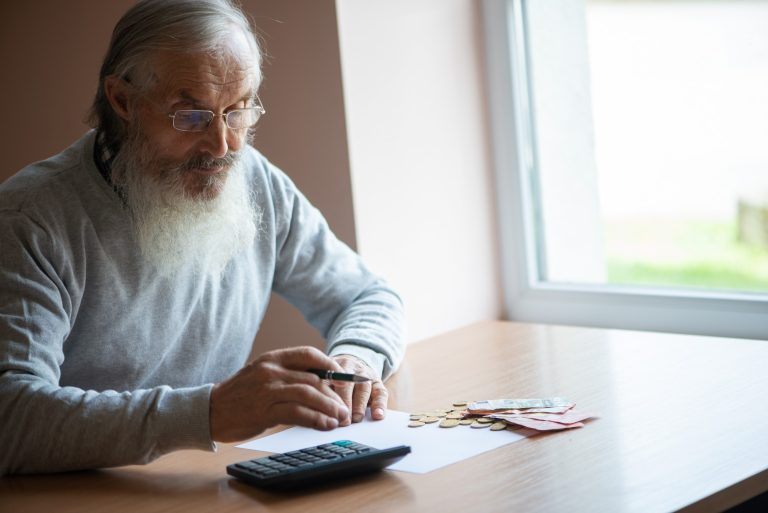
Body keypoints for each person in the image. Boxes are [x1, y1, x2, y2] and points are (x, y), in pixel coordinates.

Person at [0, 0, 405, 475]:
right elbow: (13, 417)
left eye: (238, 112)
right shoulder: (30, 219)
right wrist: (209, 412)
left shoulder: (257, 182)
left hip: (206, 483)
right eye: (190, 116)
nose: (222, 147)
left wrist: (355, 360)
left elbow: (369, 294)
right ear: (123, 100)